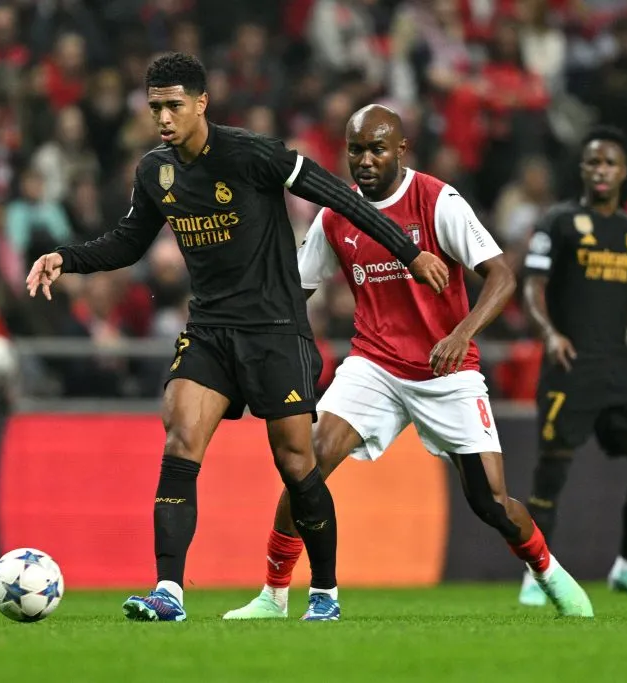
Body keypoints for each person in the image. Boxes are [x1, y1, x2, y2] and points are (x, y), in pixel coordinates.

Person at [25, 53, 450, 622]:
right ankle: (169, 593)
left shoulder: (253, 154)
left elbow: (341, 198)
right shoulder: (155, 171)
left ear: (202, 102)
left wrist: (410, 250)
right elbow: (128, 242)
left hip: (275, 330)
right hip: (210, 331)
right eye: (155, 107)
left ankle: (323, 591)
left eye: (174, 105)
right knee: (179, 440)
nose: (164, 118)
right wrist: (64, 257)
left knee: (298, 465)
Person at [222, 104, 594, 620]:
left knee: (490, 504)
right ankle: (273, 595)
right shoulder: (336, 216)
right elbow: (293, 293)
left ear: (401, 149)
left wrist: (460, 335)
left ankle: (548, 572)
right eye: (356, 150)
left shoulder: (437, 200)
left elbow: (503, 276)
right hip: (373, 364)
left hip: (448, 369)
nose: (365, 160)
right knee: (304, 468)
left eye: (377, 149)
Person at [521, 126, 627, 607]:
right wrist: (549, 333)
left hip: (618, 368)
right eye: (592, 163)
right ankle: (536, 573)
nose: (600, 170)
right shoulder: (559, 222)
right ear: (582, 169)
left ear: (623, 172)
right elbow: (532, 287)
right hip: (570, 365)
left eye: (609, 163)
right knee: (553, 471)